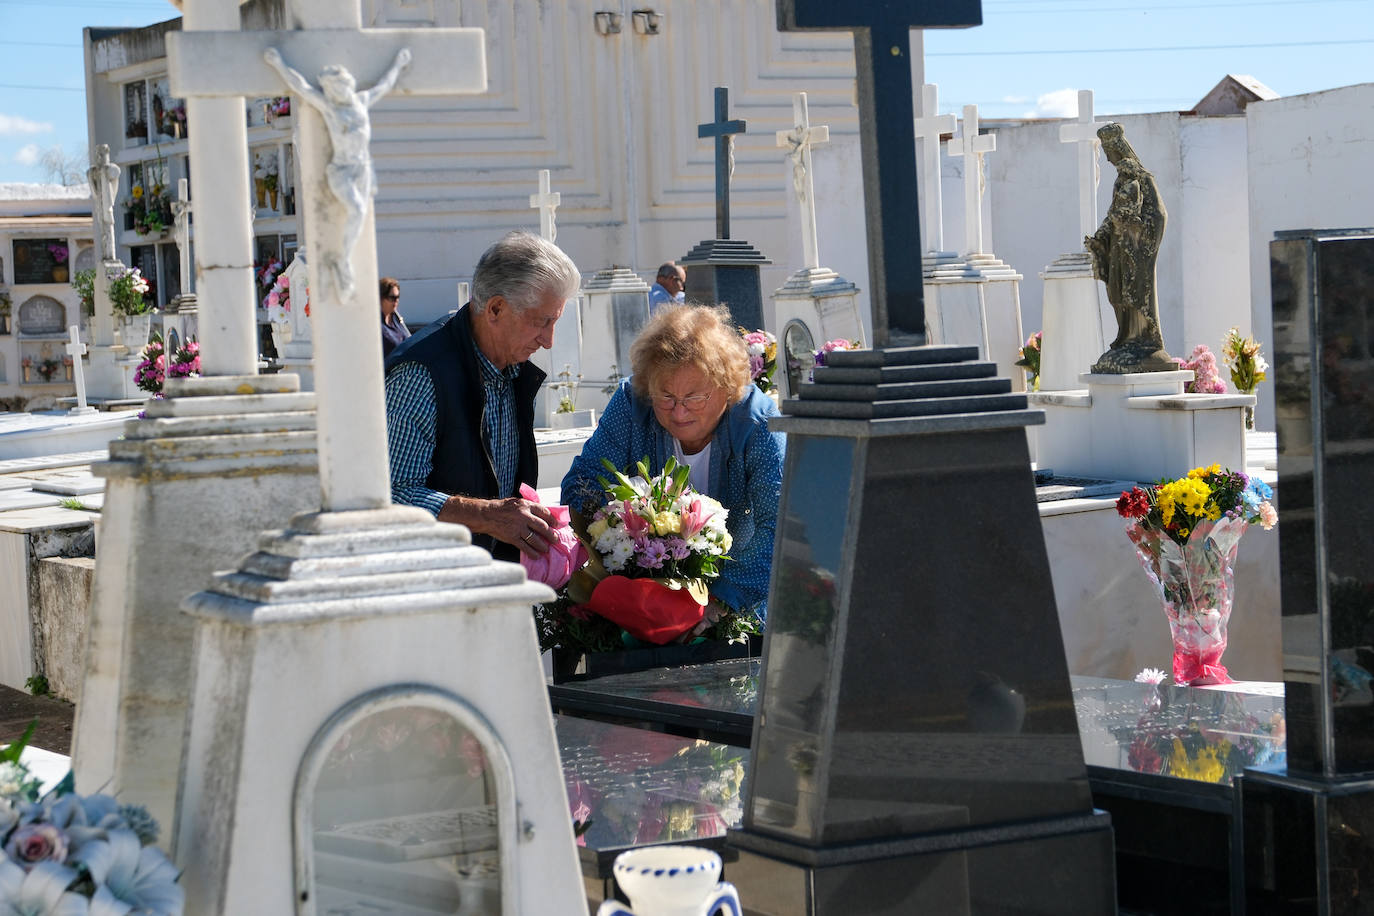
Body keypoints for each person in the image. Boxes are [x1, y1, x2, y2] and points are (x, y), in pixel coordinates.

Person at [561, 304, 785, 623]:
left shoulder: (756, 423)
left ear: (726, 387)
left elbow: (779, 526)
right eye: (665, 398)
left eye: (695, 398)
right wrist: (607, 566)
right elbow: (583, 484)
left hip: (737, 602)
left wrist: (721, 604)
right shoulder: (631, 405)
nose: (679, 413)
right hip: (641, 597)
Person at [385, 231, 581, 562]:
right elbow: (392, 496)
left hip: (492, 582)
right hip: (431, 584)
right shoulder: (421, 373)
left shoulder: (513, 367)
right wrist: (489, 516)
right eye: (541, 322)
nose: (548, 341)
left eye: (554, 322)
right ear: (495, 309)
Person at [1085, 122, 1174, 373]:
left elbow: (1159, 215)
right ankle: (1127, 339)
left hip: (1137, 249)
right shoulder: (1121, 180)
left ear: (1119, 150)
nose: (1108, 158)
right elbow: (1113, 214)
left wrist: (1138, 230)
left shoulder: (1142, 179)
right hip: (1120, 249)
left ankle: (1144, 340)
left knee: (1136, 292)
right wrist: (1101, 237)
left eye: (1110, 153)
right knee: (1119, 292)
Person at [379, 276, 410, 358]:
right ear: (381, 298)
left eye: (397, 297)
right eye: (392, 297)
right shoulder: (376, 324)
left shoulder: (396, 318)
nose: (396, 301)